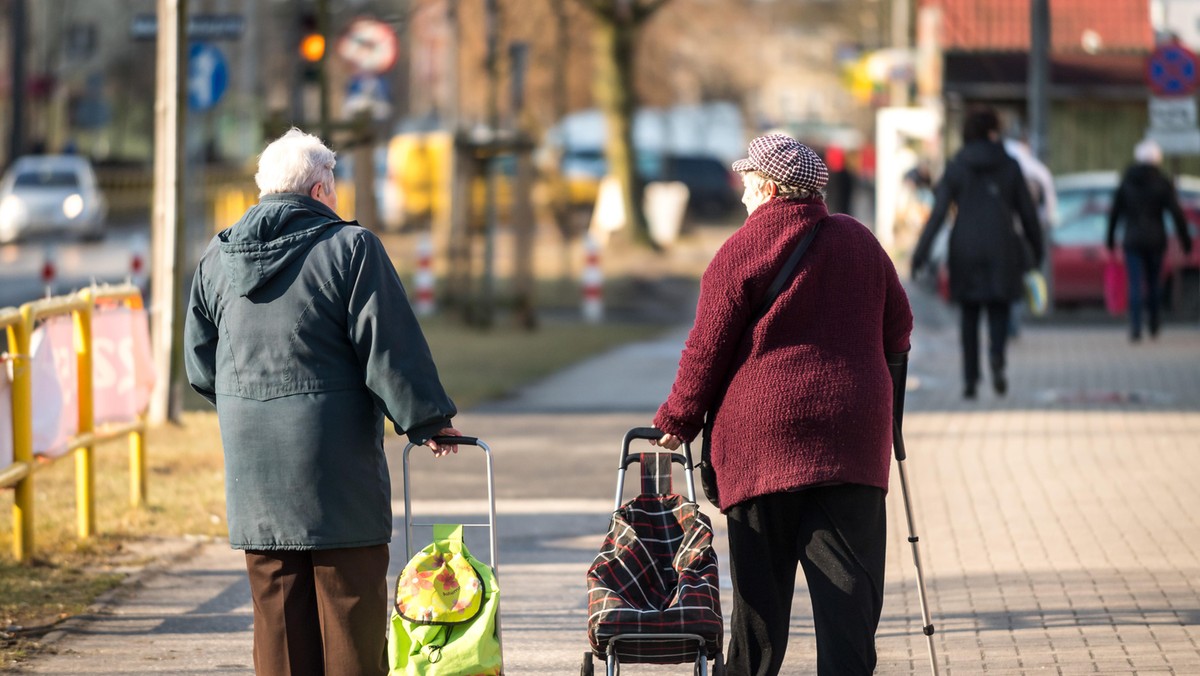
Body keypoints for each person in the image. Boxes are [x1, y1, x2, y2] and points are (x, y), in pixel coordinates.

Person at [184, 128, 461, 676]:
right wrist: (428, 420)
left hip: (254, 472)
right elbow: (390, 348)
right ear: (319, 190)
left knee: (277, 624)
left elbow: (199, 365)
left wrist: (250, 408)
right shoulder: (350, 248)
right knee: (349, 611)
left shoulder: (216, 256)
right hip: (336, 474)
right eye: (333, 186)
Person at [651, 133, 914, 675]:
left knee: (759, 613)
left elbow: (707, 347)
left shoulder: (743, 247)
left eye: (748, 184)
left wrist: (676, 419)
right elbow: (900, 330)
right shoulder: (862, 242)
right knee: (849, 608)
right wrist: (886, 409)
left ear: (769, 188)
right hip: (851, 445)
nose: (744, 195)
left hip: (762, 448)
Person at [911, 107, 1043, 399]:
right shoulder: (1009, 165)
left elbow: (938, 213)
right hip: (1002, 245)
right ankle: (997, 358)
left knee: (969, 315)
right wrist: (1037, 248)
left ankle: (970, 380)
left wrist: (919, 254)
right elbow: (1027, 212)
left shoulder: (957, 165)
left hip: (965, 247)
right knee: (998, 308)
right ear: (993, 132)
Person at [1106, 138, 1193, 341]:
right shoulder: (1162, 183)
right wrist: (1185, 240)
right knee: (1154, 284)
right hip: (1156, 240)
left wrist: (1110, 239)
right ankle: (1154, 323)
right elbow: (1176, 213)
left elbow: (1115, 214)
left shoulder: (1127, 182)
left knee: (1135, 284)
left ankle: (1136, 328)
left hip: (1133, 240)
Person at [1003, 135, 1057, 338]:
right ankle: (1014, 326)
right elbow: (1047, 207)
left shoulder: (1005, 171)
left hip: (1004, 237)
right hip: (1023, 237)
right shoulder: (1038, 171)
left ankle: (1008, 326)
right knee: (1019, 282)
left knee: (1006, 284)